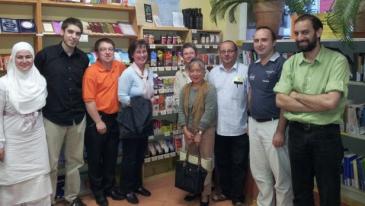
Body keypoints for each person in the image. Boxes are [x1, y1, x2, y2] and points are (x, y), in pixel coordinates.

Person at [274, 14, 349, 206]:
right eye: (296, 33)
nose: (299, 37)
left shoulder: (337, 61)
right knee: (301, 192)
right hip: (297, 134)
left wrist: (297, 96)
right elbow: (280, 99)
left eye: (305, 32)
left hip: (326, 136)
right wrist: (317, 102)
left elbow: (331, 102)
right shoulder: (291, 62)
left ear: (318, 32)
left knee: (329, 193)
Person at [34, 17, 89, 206]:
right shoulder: (45, 56)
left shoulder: (83, 58)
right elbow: (35, 84)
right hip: (52, 117)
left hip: (77, 117)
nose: (74, 36)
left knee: (75, 161)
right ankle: (47, 200)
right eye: (70, 32)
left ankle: (71, 197)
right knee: (51, 164)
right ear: (62, 32)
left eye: (77, 33)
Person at [0, 42, 51, 205]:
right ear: (13, 59)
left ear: (33, 58)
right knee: (13, 176)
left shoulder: (40, 81)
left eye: (28, 56)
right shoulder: (3, 84)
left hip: (36, 137)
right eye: (19, 57)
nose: (24, 60)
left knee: (38, 177)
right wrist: (0, 143)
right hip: (12, 139)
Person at [248, 26, 293, 206]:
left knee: (281, 176)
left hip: (274, 126)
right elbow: (251, 93)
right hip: (254, 124)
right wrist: (248, 121)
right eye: (256, 40)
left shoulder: (283, 65)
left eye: (264, 40)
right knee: (259, 173)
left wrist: (280, 131)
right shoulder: (253, 65)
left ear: (274, 42)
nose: (260, 44)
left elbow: (286, 100)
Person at [82, 38, 126, 206]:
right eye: (103, 49)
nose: (107, 52)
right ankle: (98, 191)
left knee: (111, 156)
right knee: (95, 158)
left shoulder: (119, 67)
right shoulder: (91, 72)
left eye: (110, 49)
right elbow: (89, 100)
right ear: (97, 53)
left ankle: (109, 187)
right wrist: (98, 122)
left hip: (115, 119)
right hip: (97, 119)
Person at [208, 40, 250, 206]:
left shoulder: (245, 71)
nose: (226, 54)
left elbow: (249, 98)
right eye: (223, 51)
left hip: (239, 127)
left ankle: (238, 197)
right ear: (219, 53)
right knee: (221, 163)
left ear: (236, 52)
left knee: (239, 164)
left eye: (230, 51)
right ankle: (225, 191)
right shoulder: (213, 73)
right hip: (219, 128)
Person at [117, 39, 154, 204]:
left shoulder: (148, 72)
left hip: (144, 118)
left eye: (144, 51)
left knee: (140, 155)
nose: (142, 54)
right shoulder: (128, 73)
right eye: (138, 52)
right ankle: (127, 189)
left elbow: (149, 93)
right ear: (132, 54)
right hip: (131, 119)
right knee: (130, 157)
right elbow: (121, 96)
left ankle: (138, 184)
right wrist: (138, 105)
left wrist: (145, 107)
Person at [177, 58, 217, 206]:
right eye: (192, 70)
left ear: (203, 72)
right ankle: (193, 188)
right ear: (188, 72)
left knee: (205, 162)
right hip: (189, 131)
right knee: (192, 160)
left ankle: (205, 194)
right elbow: (180, 109)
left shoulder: (209, 88)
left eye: (198, 70)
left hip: (206, 131)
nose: (195, 73)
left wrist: (200, 132)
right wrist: (184, 129)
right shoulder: (185, 89)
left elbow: (210, 111)